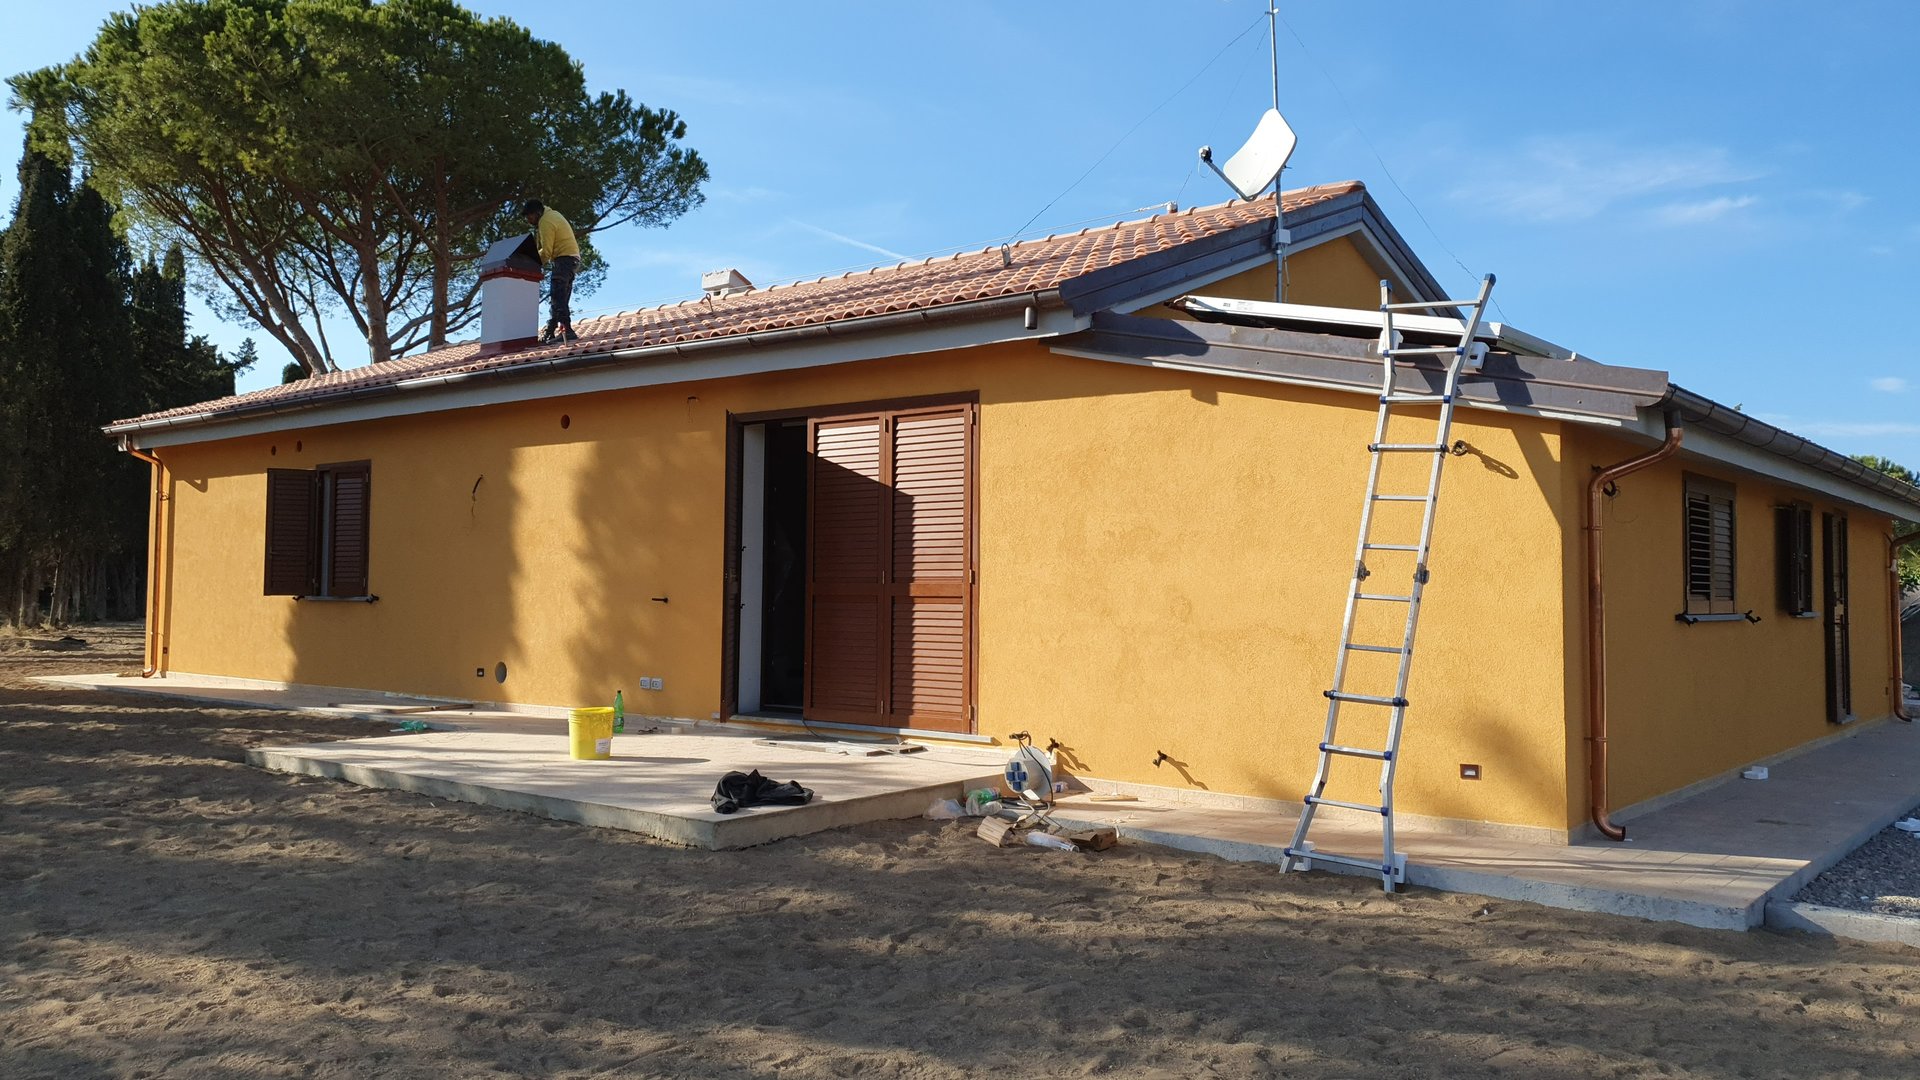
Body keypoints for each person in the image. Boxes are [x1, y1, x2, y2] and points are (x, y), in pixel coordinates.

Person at [518, 199, 580, 343]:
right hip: (571, 259)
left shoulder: (545, 221)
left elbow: (546, 252)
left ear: (537, 213)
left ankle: (567, 331)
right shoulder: (553, 215)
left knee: (558, 296)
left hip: (563, 259)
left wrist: (529, 264)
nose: (528, 220)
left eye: (530, 216)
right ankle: (550, 332)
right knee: (559, 297)